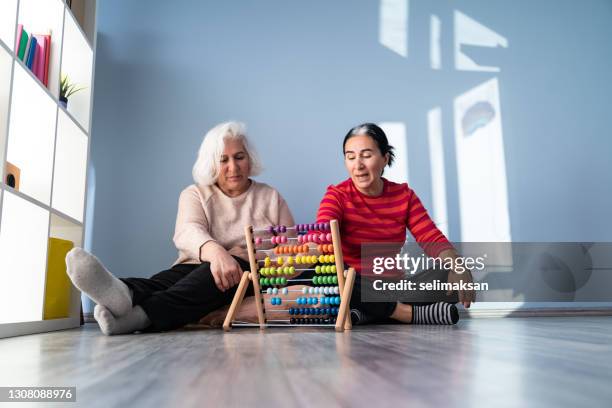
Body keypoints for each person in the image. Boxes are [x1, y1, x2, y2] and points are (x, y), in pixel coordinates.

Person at [66, 121, 294, 334]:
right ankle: (124, 292)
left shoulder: (271, 197)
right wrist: (216, 253)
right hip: (196, 263)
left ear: (249, 159)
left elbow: (292, 247)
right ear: (212, 163)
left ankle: (139, 315)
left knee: (212, 275)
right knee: (168, 280)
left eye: (239, 157)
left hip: (249, 272)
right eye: (223, 159)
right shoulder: (195, 193)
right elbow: (188, 230)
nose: (233, 167)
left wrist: (258, 263)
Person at [315, 123, 475, 325]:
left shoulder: (404, 196)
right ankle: (407, 314)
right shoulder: (336, 195)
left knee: (450, 274)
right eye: (351, 156)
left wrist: (458, 266)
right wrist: (307, 252)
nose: (358, 165)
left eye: (366, 155)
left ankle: (367, 312)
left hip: (392, 287)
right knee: (326, 269)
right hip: (354, 283)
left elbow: (430, 237)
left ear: (385, 159)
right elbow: (323, 235)